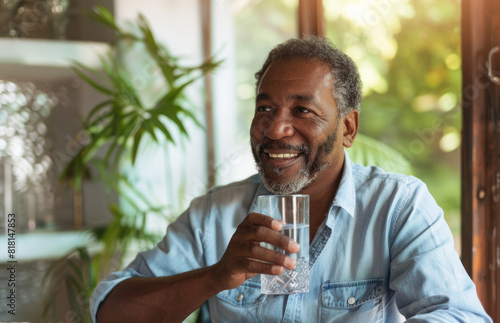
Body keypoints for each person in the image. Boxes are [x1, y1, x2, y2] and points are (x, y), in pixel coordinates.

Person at [91, 36, 492, 323]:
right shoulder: (214, 214)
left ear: (348, 129)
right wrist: (217, 276)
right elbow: (111, 311)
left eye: (303, 110)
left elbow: (457, 314)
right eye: (265, 107)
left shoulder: (397, 206)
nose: (276, 128)